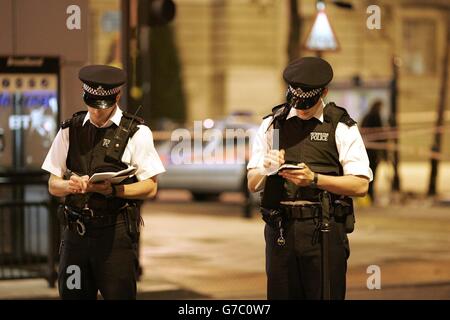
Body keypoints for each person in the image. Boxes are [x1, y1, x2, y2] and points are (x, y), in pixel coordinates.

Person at [247, 57, 372, 300]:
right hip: (281, 230)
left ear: (324, 92)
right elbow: (252, 183)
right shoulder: (273, 124)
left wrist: (314, 179)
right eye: (297, 102)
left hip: (323, 230)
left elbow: (361, 185)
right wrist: (266, 168)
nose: (302, 109)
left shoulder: (341, 126)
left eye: (308, 103)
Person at [42, 65, 165, 300]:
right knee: (73, 295)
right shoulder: (70, 130)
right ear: (84, 94)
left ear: (117, 96)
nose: (97, 112)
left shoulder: (137, 132)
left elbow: (150, 186)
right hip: (75, 235)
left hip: (114, 235)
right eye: (92, 104)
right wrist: (70, 185)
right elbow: (52, 183)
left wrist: (114, 189)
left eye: (104, 105)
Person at [361, 100, 385, 203]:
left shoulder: (366, 116)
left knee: (367, 173)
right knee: (373, 174)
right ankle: (370, 195)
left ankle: (368, 195)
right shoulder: (376, 117)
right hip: (373, 152)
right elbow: (381, 135)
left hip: (365, 151)